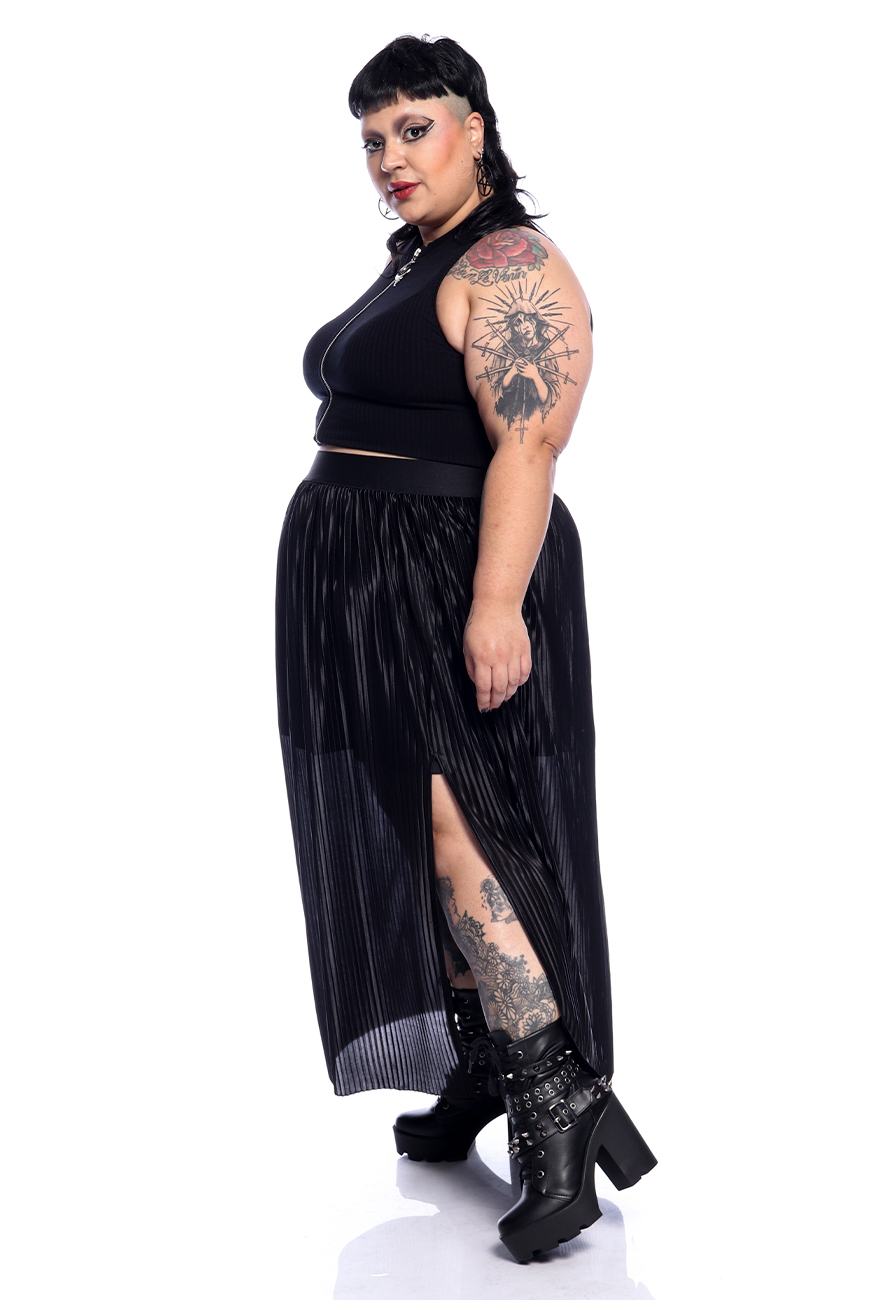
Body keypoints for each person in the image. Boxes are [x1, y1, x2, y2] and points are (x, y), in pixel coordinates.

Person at [275, 33, 656, 1262]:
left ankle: (555, 1094)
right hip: (360, 574)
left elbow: (530, 446)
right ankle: (489, 1055)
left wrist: (495, 605)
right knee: (405, 811)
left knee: (462, 822)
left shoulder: (509, 261)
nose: (390, 157)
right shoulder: (418, 256)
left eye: (413, 128)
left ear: (474, 127)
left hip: (443, 572)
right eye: (372, 139)